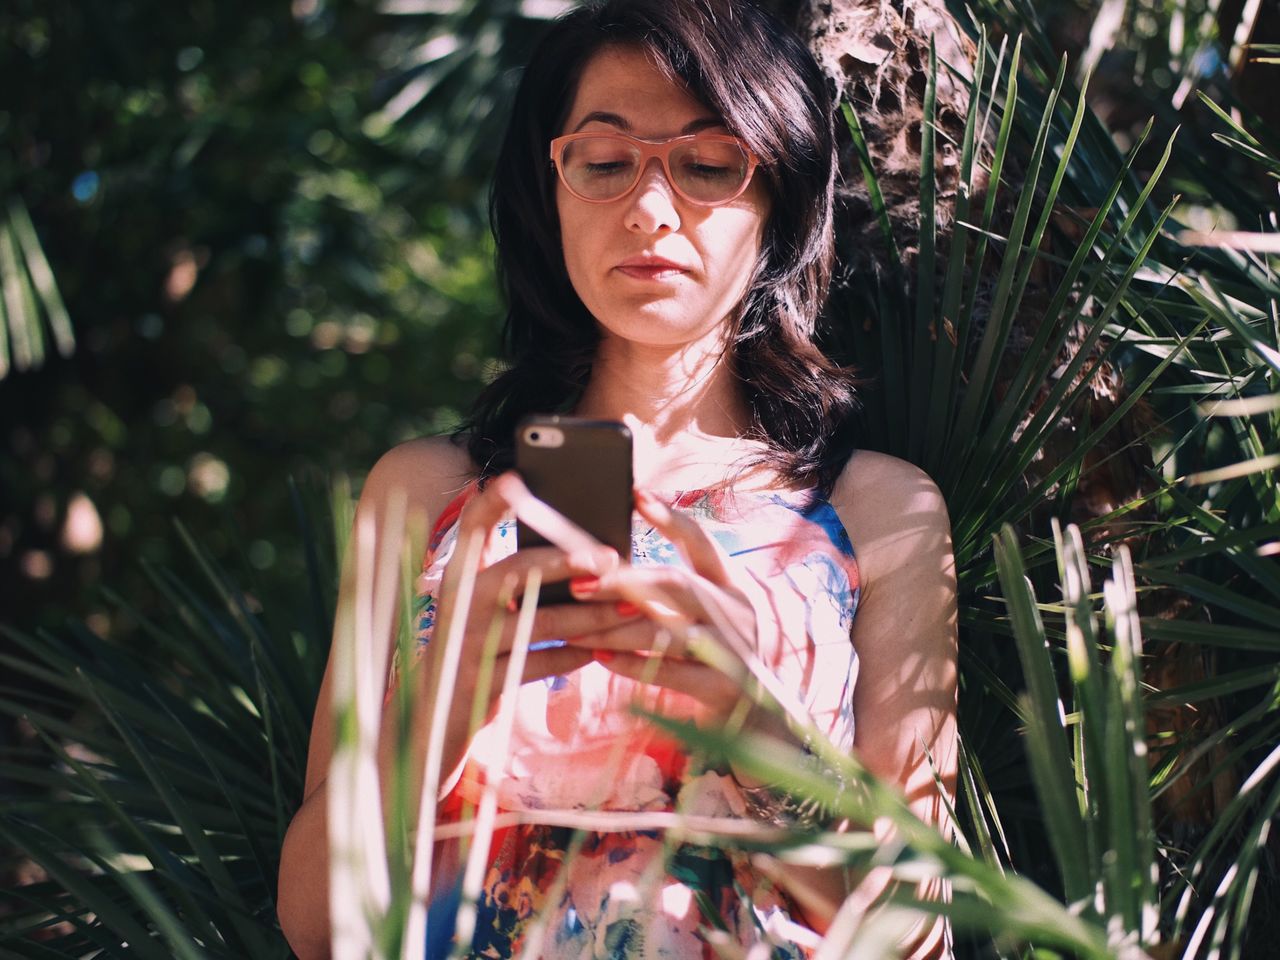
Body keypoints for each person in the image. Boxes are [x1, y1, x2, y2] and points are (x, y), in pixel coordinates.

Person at [278, 0, 957, 956]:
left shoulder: (874, 511)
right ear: (548, 192)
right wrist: (440, 708)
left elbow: (919, 931)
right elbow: (313, 924)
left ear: (780, 203)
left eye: (708, 163)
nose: (648, 208)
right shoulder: (428, 496)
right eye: (604, 162)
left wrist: (762, 735)